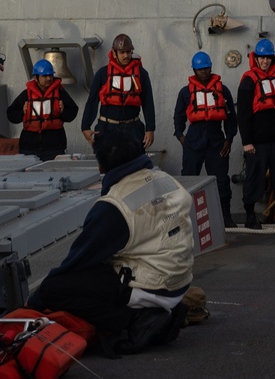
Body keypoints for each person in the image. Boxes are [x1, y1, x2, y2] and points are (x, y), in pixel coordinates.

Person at [33, 126, 194, 354]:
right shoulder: (167, 180)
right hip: (179, 280)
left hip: (152, 287)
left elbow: (75, 262)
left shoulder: (114, 206)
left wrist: (33, 302)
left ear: (100, 166)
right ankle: (166, 311)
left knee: (53, 288)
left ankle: (134, 320)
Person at [237, 37, 275, 230]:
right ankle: (249, 216)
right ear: (256, 59)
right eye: (262, 58)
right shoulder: (248, 81)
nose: (265, 62)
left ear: (273, 59)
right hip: (257, 142)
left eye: (268, 58)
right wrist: (247, 142)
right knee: (254, 179)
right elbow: (244, 114)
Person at [174, 51, 238, 228]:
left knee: (221, 180)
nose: (203, 71)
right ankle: (186, 219)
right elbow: (178, 116)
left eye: (206, 68)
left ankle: (225, 217)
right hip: (193, 140)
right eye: (200, 69)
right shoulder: (186, 92)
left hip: (217, 140)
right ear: (194, 69)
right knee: (188, 179)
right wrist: (181, 137)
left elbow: (231, 117)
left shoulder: (222, 90)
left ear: (211, 67)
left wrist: (229, 138)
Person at [81, 34, 155, 150]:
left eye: (128, 52)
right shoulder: (102, 74)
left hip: (132, 128)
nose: (126, 56)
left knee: (135, 165)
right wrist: (85, 126)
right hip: (107, 129)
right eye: (122, 52)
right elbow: (92, 100)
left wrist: (150, 129)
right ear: (114, 53)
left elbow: (148, 101)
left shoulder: (141, 74)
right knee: (107, 165)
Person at [6, 59, 79, 160]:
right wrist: (22, 112)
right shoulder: (26, 95)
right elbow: (11, 114)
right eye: (44, 76)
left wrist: (63, 112)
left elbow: (73, 110)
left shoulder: (60, 93)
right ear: (36, 78)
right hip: (29, 147)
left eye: (50, 75)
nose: (49, 78)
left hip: (55, 147)